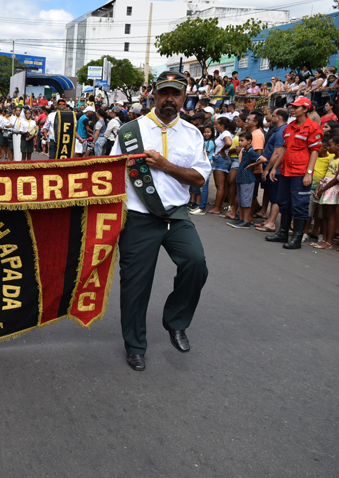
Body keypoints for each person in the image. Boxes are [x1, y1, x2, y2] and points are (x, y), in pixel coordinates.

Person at [111, 71, 211, 371]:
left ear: (184, 97)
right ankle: (135, 345)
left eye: (176, 94)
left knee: (195, 263)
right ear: (153, 95)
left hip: (176, 215)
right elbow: (111, 174)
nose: (170, 99)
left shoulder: (192, 134)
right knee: (135, 285)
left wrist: (165, 165)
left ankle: (176, 321)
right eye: (164, 92)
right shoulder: (130, 132)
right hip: (139, 217)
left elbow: (199, 179)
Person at [266, 96, 323, 249]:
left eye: (296, 107)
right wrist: (275, 168)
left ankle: (296, 238)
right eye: (291, 106)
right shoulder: (290, 127)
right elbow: (284, 149)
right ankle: (282, 233)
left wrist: (309, 173)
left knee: (299, 205)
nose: (292, 109)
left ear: (305, 109)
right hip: (286, 171)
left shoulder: (312, 127)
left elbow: (314, 151)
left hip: (300, 172)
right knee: (284, 202)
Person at [227, 132, 267, 229]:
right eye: (239, 140)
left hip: (248, 179)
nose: (240, 142)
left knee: (246, 201)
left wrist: (252, 165)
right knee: (241, 200)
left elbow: (263, 159)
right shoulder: (244, 151)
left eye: (242, 140)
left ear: (249, 141)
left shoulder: (251, 152)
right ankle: (241, 218)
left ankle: (246, 221)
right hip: (241, 178)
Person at [312, 133, 339, 248]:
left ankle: (329, 242)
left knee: (331, 214)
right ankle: (325, 239)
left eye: (330, 145)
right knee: (326, 214)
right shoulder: (333, 158)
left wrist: (324, 188)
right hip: (326, 186)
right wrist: (320, 186)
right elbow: (327, 173)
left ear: (338, 146)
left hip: (332, 188)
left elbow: (337, 177)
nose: (328, 147)